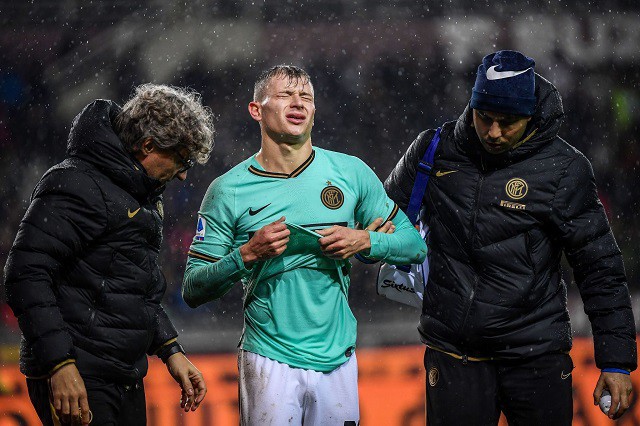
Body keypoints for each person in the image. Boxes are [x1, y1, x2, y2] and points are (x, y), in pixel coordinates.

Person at [385, 50, 637, 425]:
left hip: (536, 356)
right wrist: (366, 243)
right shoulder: (433, 151)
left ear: (530, 115)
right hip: (455, 356)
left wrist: (616, 361)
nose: (493, 132)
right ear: (472, 106)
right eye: (484, 117)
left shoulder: (564, 169)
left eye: (507, 122)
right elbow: (382, 217)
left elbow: (599, 267)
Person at [181, 65, 427, 425]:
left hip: (338, 358)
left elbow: (414, 245)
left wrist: (365, 240)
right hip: (268, 358)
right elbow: (193, 288)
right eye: (285, 95)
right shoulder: (228, 190)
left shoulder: (351, 172)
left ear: (314, 111)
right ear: (256, 110)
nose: (298, 102)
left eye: (306, 97)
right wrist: (247, 254)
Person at [4, 84, 214, 425]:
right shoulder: (76, 182)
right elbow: (25, 275)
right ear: (148, 146)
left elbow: (133, 285)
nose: (183, 174)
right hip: (78, 375)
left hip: (122, 375)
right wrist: (60, 364)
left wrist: (170, 349)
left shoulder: (139, 192)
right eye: (181, 159)